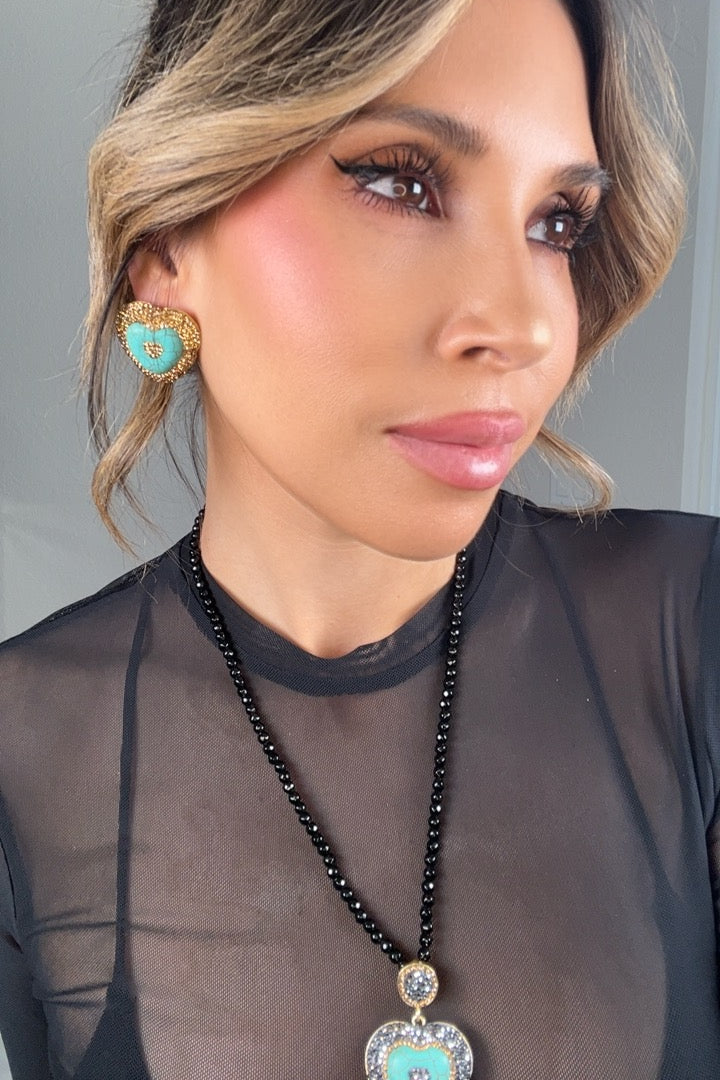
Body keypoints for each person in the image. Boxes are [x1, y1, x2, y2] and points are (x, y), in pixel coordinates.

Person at [1, 0, 718, 1076]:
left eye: (556, 222)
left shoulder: (693, 628)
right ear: (167, 247)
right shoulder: (22, 742)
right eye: (401, 181)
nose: (525, 326)